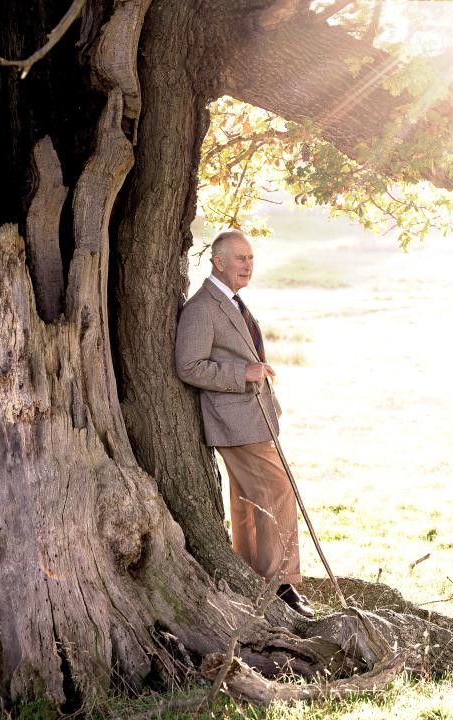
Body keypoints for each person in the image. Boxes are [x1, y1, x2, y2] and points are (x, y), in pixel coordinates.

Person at [175, 229, 313, 618]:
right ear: (218, 260)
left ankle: (253, 575)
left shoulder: (232, 302)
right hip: (234, 421)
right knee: (278, 491)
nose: (247, 265)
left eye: (250, 259)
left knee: (250, 500)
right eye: (239, 258)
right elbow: (188, 366)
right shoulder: (203, 307)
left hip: (254, 418)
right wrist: (244, 372)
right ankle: (280, 585)